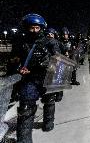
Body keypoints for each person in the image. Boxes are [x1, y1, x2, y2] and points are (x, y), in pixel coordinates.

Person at [10, 14, 59, 143]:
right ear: (26, 28)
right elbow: (13, 61)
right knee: (25, 109)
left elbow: (57, 61)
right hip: (29, 80)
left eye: (37, 28)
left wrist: (43, 64)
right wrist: (18, 69)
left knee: (49, 102)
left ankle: (48, 124)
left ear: (41, 28)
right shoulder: (20, 43)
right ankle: (24, 140)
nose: (34, 31)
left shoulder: (49, 43)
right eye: (31, 28)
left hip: (46, 78)